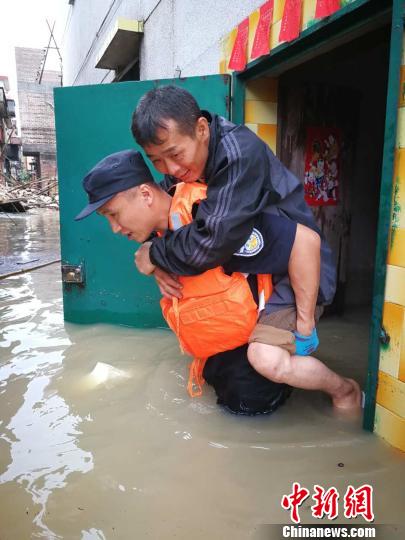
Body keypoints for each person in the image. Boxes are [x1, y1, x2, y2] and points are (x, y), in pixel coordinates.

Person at [130, 86, 361, 409]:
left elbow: (210, 243)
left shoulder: (239, 154)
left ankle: (344, 391)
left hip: (296, 269)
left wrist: (154, 255)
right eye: (157, 161)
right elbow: (169, 212)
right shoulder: (186, 168)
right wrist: (156, 255)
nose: (170, 169)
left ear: (201, 129)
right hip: (261, 269)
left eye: (175, 154)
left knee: (264, 359)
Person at [74, 150, 326, 413]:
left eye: (114, 215)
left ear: (146, 195)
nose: (114, 228)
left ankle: (342, 389)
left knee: (247, 401)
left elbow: (305, 242)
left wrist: (304, 327)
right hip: (220, 346)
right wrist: (154, 261)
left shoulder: (212, 222)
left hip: (256, 346)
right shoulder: (161, 229)